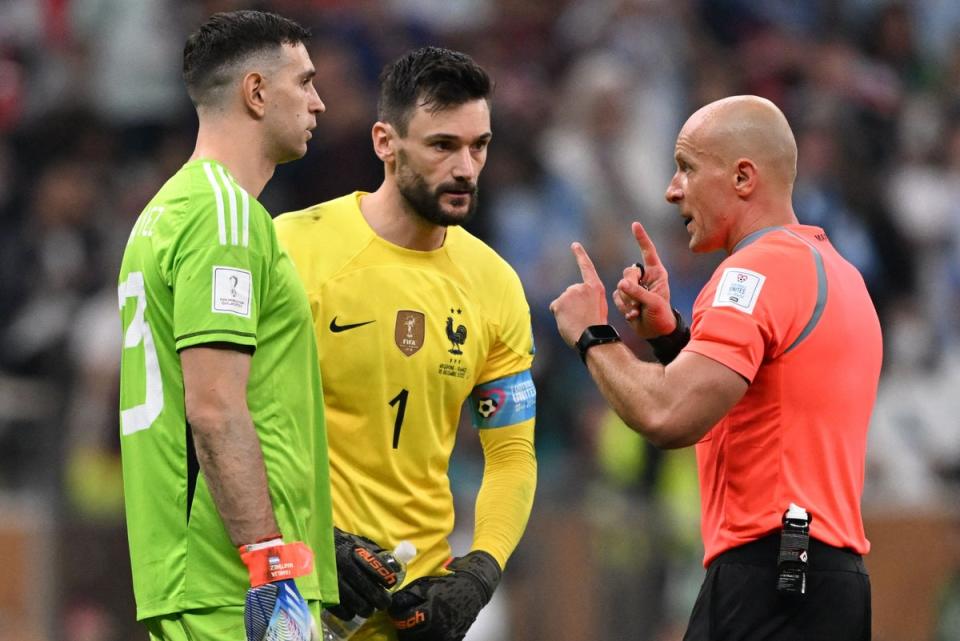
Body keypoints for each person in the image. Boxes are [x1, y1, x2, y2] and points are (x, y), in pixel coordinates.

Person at [549, 95, 881, 640]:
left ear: (743, 178)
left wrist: (592, 333)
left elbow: (669, 413)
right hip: (834, 584)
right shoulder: (843, 276)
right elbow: (750, 402)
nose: (671, 189)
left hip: (767, 581)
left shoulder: (751, 271)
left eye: (686, 166)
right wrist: (671, 337)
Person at [117, 11, 392, 641]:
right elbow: (215, 409)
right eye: (305, 82)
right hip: (231, 586)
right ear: (256, 92)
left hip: (194, 576)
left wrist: (316, 545)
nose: (320, 102)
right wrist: (272, 570)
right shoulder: (225, 219)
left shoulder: (164, 214)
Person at [275, 46, 538, 641]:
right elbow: (230, 421)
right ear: (384, 142)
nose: (467, 167)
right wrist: (314, 542)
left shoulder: (495, 285)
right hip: (297, 597)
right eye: (443, 145)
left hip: (414, 612)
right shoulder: (292, 250)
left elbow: (512, 455)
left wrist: (480, 571)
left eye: (480, 146)